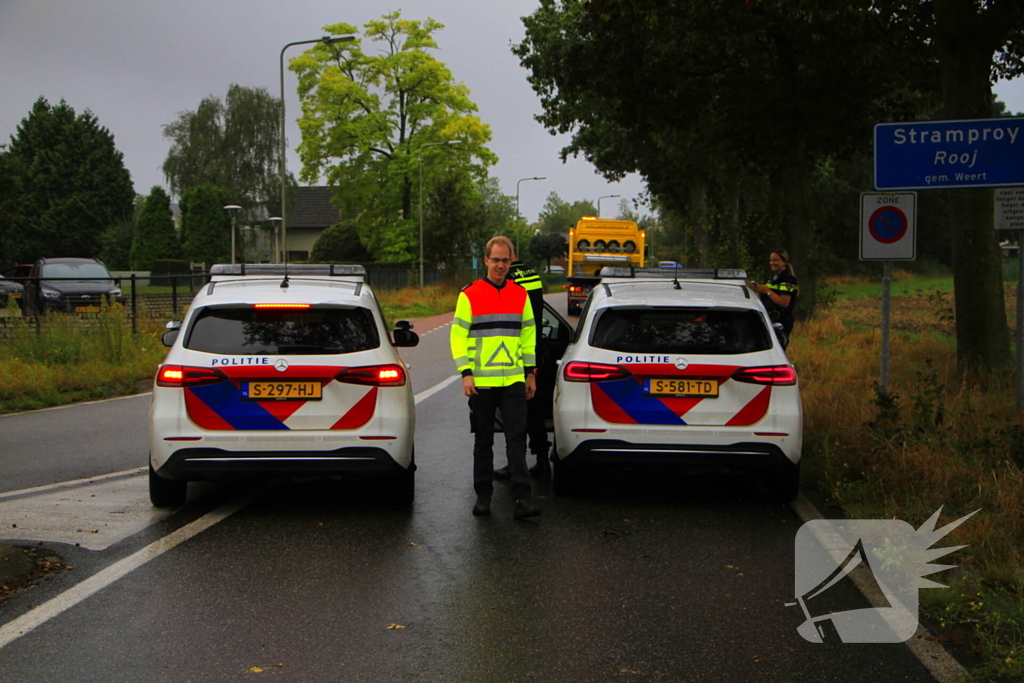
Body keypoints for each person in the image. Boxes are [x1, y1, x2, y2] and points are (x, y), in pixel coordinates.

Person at [450, 236, 541, 519]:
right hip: (482, 383)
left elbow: (528, 336)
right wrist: (466, 373)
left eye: (505, 259)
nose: (500, 265)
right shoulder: (469, 295)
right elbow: (458, 337)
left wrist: (530, 373)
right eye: (496, 259)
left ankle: (522, 500)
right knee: (483, 441)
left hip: (513, 380)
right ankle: (483, 497)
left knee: (516, 440)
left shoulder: (520, 294)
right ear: (486, 260)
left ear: (512, 260)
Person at [494, 250, 552, 480]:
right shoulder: (532, 274)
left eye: (501, 258)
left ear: (508, 257)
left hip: (513, 353)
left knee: (515, 413)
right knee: (536, 410)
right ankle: (542, 461)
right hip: (536, 350)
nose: (499, 263)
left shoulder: (509, 279)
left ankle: (514, 463)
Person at [754, 249, 798, 335]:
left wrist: (767, 291)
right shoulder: (773, 278)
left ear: (784, 262)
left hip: (781, 320)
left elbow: (784, 302)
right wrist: (761, 291)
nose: (772, 263)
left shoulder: (787, 279)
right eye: (771, 260)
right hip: (769, 318)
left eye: (775, 260)